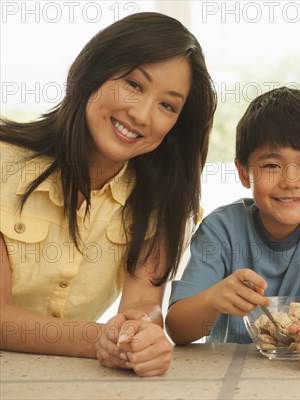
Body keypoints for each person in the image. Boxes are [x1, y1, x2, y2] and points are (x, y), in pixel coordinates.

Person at [0, 12, 217, 377]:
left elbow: (144, 304)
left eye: (168, 105)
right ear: (95, 71)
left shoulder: (162, 198)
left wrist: (138, 334)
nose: (142, 115)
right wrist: (100, 339)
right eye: (134, 84)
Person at [165, 87, 300, 372]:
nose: (291, 180)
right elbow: (178, 329)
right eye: (271, 165)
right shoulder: (221, 229)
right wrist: (212, 298)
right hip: (229, 373)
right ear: (244, 173)